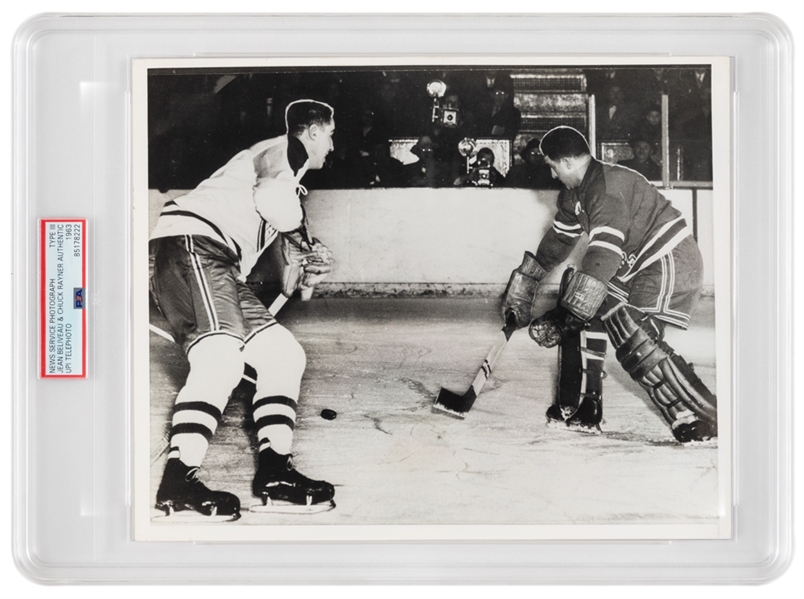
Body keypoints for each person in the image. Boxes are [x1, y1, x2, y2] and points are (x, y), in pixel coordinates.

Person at [150, 99, 337, 520]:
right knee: (221, 360)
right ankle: (177, 479)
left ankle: (274, 472)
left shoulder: (289, 175)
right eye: (329, 134)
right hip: (192, 244)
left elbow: (292, 275)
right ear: (310, 132)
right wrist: (304, 240)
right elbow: (274, 200)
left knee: (283, 355)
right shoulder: (281, 151)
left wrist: (309, 264)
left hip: (220, 263)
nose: (332, 144)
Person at [501, 126, 717, 444]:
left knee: (635, 337)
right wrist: (527, 282)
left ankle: (702, 414)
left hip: (667, 258)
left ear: (567, 162)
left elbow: (604, 253)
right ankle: (588, 406)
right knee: (588, 304)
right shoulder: (574, 194)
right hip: (633, 265)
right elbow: (559, 239)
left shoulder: (607, 188)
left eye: (552, 165)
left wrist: (568, 313)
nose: (551, 172)